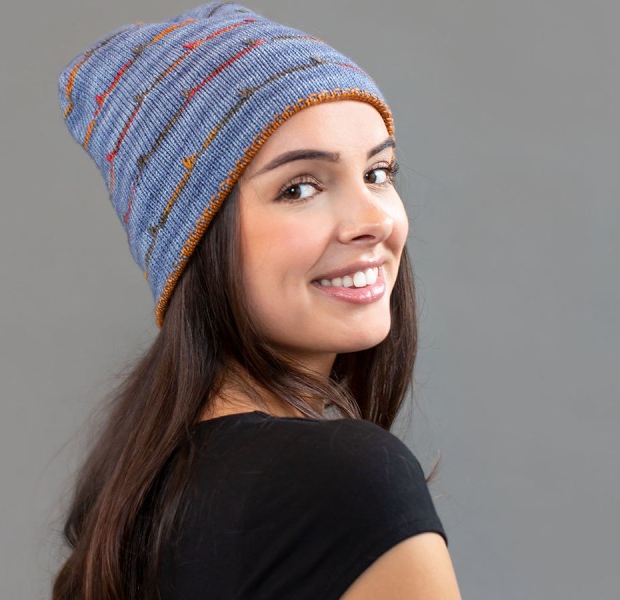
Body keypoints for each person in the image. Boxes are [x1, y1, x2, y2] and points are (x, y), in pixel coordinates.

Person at [53, 2, 461, 598]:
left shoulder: (140, 504)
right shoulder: (348, 484)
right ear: (197, 242)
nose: (373, 219)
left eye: (379, 172)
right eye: (300, 187)